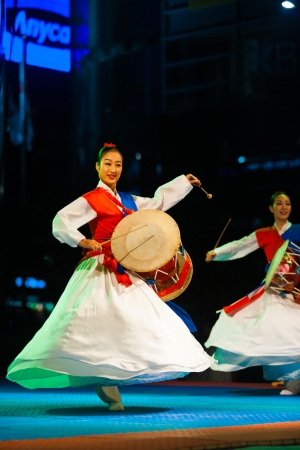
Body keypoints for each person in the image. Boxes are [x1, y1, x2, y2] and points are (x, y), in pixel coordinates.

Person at [7, 143, 214, 411]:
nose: (113, 169)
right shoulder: (92, 199)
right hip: (101, 266)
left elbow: (156, 205)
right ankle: (105, 383)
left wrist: (183, 183)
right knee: (98, 327)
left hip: (126, 268)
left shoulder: (128, 201)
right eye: (107, 164)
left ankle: (114, 376)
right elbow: (61, 220)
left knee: (137, 322)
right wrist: (81, 240)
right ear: (97, 166)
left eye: (117, 164)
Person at [204, 191, 300, 395]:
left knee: (294, 332)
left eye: (288, 203)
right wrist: (217, 252)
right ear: (271, 208)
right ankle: (291, 382)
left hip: (296, 290)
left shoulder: (299, 231)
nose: (284, 207)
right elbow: (240, 245)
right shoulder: (265, 233)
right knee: (276, 334)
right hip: (273, 291)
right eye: (279, 204)